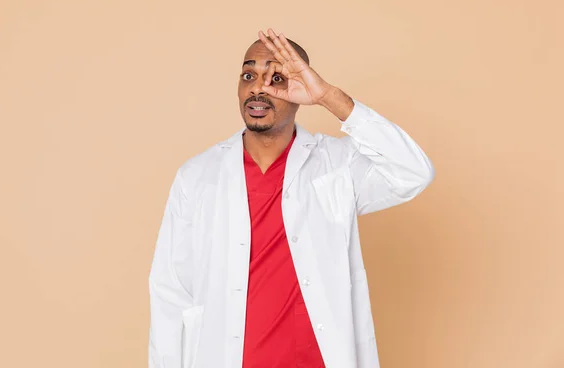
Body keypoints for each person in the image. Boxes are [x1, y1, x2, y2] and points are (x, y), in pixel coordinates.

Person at [148, 28, 435, 368]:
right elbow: (171, 291)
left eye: (277, 77)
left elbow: (414, 172)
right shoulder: (198, 176)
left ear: (300, 89)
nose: (258, 87)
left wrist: (329, 96)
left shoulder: (335, 165)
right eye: (248, 74)